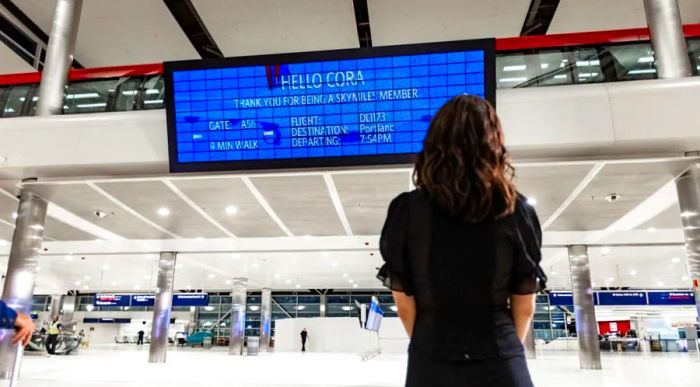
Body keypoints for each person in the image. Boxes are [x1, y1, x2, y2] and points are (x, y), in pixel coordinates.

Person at [377, 95, 546, 387]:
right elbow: (525, 304)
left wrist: (431, 344)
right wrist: (504, 349)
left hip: (431, 359)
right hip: (500, 358)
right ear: (493, 144)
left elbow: (405, 305)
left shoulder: (407, 210)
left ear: (434, 143)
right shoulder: (516, 209)